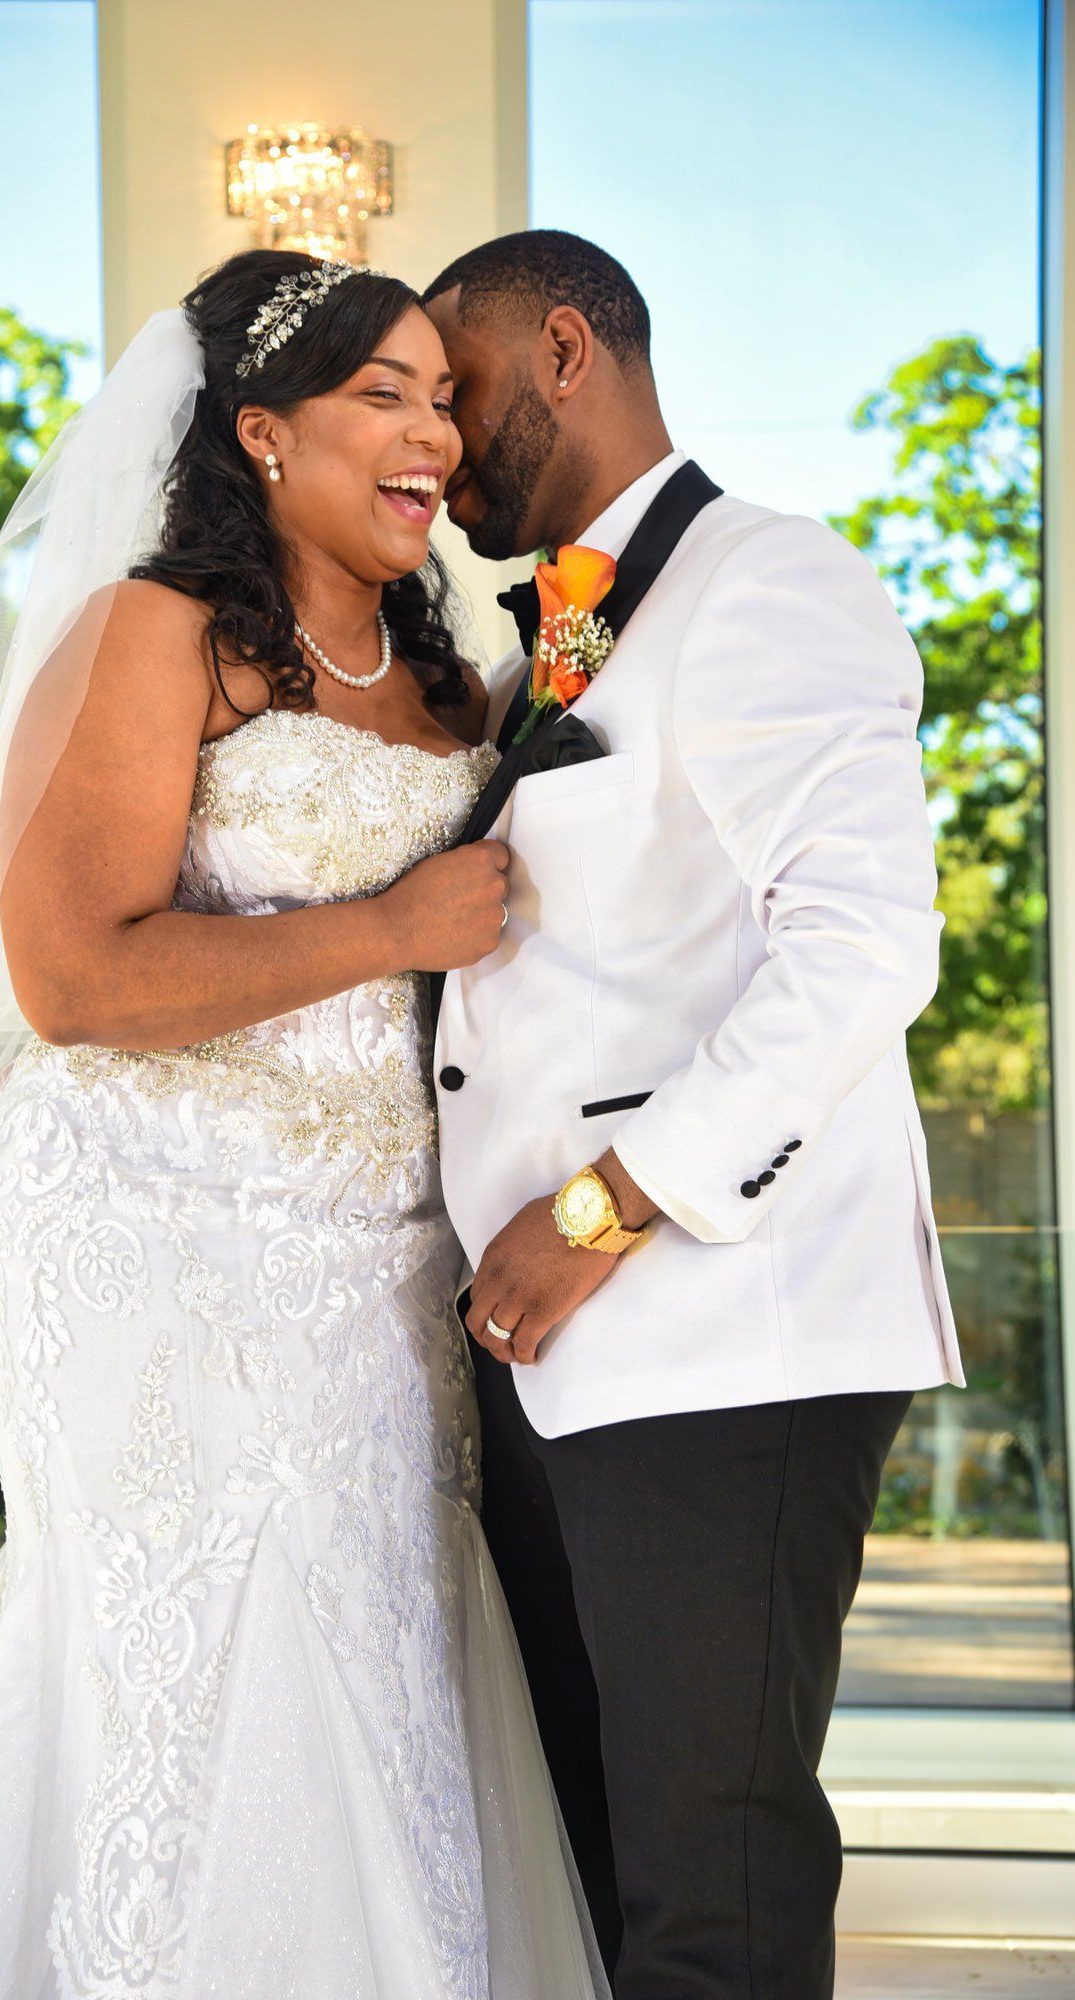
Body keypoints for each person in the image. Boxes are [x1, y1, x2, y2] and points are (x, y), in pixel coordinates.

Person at [0, 250, 610, 2000]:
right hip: (146, 1223)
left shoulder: (457, 681)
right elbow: (71, 976)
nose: (432, 436)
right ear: (260, 432)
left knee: (384, 1655)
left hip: (383, 1252)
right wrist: (394, 928)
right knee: (180, 1654)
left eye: (442, 399)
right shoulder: (150, 631)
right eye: (381, 398)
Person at [423, 229, 966, 2000]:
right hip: (561, 1366)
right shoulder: (566, 625)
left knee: (707, 1898)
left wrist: (598, 1213)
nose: (437, 439)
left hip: (731, 1346)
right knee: (588, 1873)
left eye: (463, 385)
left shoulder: (766, 580)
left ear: (566, 349)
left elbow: (866, 948)